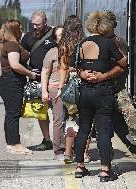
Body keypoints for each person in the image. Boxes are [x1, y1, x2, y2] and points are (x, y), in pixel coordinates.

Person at [68, 11, 127, 182]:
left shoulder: (81, 44)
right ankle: (105, 171)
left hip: (85, 93)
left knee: (84, 129)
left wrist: (83, 74)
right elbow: (123, 64)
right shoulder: (108, 43)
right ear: (105, 26)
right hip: (103, 92)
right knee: (102, 131)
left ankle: (79, 167)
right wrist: (104, 75)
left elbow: (73, 66)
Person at [0, 19, 37, 154]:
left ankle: (10, 143)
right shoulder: (13, 45)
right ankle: (16, 144)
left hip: (8, 81)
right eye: (19, 28)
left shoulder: (10, 44)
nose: (21, 30)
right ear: (14, 30)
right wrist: (30, 74)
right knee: (13, 114)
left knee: (10, 114)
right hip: (12, 82)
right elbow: (14, 64)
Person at [21, 10, 56, 151]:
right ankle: (47, 140)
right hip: (36, 80)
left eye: (38, 24)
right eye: (33, 24)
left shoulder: (54, 35)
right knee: (40, 112)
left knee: (59, 112)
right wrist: (28, 70)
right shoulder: (27, 37)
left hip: (54, 79)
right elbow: (21, 56)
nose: (35, 27)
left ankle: (62, 141)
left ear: (45, 22)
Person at [57, 15, 86, 164]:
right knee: (86, 120)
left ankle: (68, 153)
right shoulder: (85, 43)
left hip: (71, 86)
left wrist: (61, 87)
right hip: (85, 84)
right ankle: (84, 154)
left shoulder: (63, 45)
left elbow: (63, 68)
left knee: (70, 119)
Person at [41, 26, 65, 160]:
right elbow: (45, 72)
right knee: (59, 120)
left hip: (72, 89)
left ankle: (70, 148)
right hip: (55, 90)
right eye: (60, 35)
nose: (63, 37)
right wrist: (44, 91)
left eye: (64, 34)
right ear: (55, 39)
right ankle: (58, 150)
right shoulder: (51, 52)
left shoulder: (73, 50)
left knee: (73, 120)